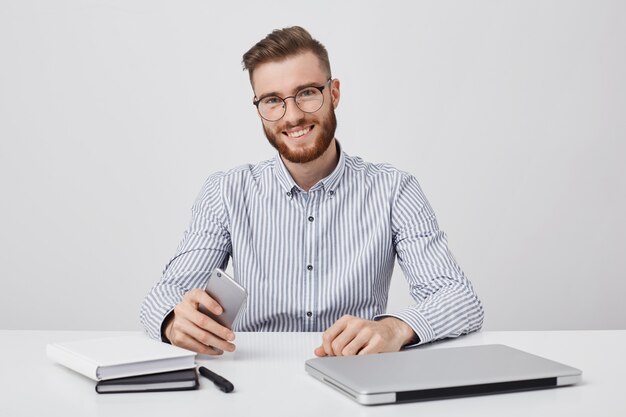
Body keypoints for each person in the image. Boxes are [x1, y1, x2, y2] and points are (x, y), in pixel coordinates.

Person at [140, 26, 484, 357]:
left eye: (306, 93)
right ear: (259, 108)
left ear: (333, 93)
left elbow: (459, 299)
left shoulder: (395, 190)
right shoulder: (227, 192)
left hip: (357, 375)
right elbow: (165, 293)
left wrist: (394, 329)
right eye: (273, 100)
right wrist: (174, 321)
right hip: (253, 380)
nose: (292, 116)